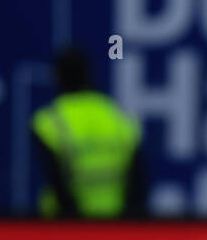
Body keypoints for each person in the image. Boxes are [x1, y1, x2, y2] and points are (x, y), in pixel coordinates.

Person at [31, 46, 145, 219]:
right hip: (116, 223)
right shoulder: (118, 117)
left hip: (63, 226)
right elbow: (138, 179)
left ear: (57, 76)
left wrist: (74, 218)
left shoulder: (49, 121)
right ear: (88, 74)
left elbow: (56, 179)